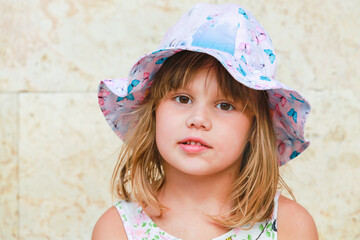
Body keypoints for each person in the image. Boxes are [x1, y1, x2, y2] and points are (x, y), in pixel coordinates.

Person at [92, 3, 318, 240]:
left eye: (225, 105)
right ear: (154, 111)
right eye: (182, 98)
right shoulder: (117, 230)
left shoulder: (290, 227)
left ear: (255, 127)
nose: (198, 119)